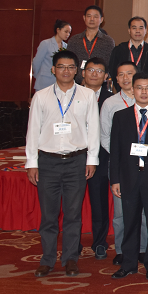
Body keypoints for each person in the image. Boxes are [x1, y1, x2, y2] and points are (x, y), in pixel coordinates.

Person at [26, 50, 100, 277]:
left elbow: (93, 129)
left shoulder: (87, 95)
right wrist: (32, 163)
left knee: (72, 215)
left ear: (77, 70)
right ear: (53, 69)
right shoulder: (41, 96)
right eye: (61, 67)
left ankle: (70, 259)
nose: (66, 71)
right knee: (48, 216)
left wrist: (92, 159)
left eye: (70, 67)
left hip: (76, 162)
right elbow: (33, 131)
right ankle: (47, 259)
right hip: (48, 162)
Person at [109, 72, 148, 279]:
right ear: (132, 90)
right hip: (128, 178)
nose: (144, 92)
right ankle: (128, 263)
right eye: (139, 87)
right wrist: (115, 179)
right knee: (130, 222)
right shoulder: (121, 116)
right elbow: (115, 151)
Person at [100, 61, 148, 265]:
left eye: (129, 73)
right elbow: (105, 136)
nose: (125, 78)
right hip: (122, 166)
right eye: (121, 74)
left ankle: (143, 248)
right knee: (121, 212)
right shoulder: (110, 104)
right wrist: (124, 157)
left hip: (146, 166)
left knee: (145, 211)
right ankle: (121, 249)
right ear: (116, 79)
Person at [81, 57, 111, 259]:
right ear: (83, 73)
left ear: (106, 76)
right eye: (90, 70)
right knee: (72, 205)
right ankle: (72, 244)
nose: (94, 74)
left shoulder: (111, 100)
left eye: (99, 71)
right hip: (73, 156)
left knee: (99, 202)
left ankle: (100, 242)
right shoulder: (72, 95)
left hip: (100, 157)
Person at [66, 5, 116, 83]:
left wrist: (98, 80)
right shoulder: (74, 40)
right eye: (89, 16)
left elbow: (110, 65)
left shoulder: (108, 41)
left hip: (99, 83)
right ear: (84, 18)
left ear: (101, 19)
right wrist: (81, 79)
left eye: (95, 17)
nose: (92, 19)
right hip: (77, 83)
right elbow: (69, 63)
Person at [108, 17, 148, 89]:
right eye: (134, 28)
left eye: (141, 28)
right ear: (129, 30)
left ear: (146, 31)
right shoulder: (119, 49)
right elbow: (113, 71)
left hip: (144, 90)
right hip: (124, 89)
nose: (137, 31)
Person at [33, 19, 71, 91]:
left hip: (59, 82)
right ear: (58, 30)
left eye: (69, 32)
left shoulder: (66, 46)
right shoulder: (46, 43)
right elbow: (36, 62)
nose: (68, 34)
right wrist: (38, 75)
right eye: (66, 32)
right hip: (44, 80)